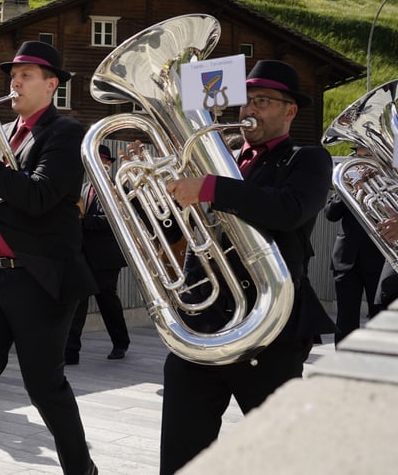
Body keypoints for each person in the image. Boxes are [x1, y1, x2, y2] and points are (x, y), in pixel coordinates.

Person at [161, 60, 336, 474]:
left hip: (269, 327)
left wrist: (211, 186)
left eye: (262, 101)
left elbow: (289, 210)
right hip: (203, 324)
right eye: (246, 101)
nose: (248, 111)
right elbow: (171, 230)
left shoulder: (306, 160)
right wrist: (152, 193)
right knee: (181, 452)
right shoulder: (213, 160)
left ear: (289, 111)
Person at [0, 40, 98, 475]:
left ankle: (81, 469)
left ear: (52, 85)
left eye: (26, 75)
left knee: (44, 386)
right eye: (13, 75)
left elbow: (40, 196)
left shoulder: (66, 132)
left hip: (40, 276)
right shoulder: (4, 131)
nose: (15, 81)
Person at [65, 144, 131, 364]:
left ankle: (121, 343)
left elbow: (113, 222)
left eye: (104, 162)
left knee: (107, 302)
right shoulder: (83, 188)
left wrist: (84, 220)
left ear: (110, 165)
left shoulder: (117, 189)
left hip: (105, 258)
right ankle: (71, 352)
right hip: (83, 255)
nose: (100, 166)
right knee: (78, 302)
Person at [323, 146, 386, 344]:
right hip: (346, 259)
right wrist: (350, 190)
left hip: (378, 258)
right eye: (359, 156)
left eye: (367, 156)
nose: (362, 161)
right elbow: (330, 214)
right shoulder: (346, 183)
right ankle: (342, 364)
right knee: (345, 318)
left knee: (379, 318)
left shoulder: (387, 182)